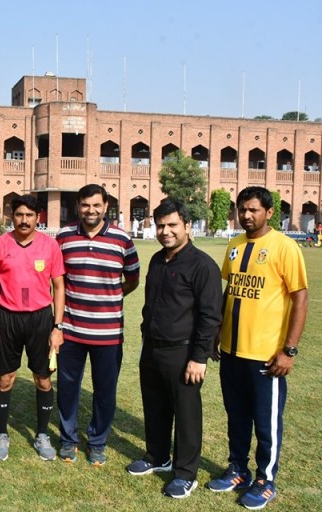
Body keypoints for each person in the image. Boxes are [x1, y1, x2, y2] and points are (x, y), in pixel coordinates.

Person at [207, 186, 308, 510]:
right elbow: (231, 290)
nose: (247, 215)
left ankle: (266, 480)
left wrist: (288, 351)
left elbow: (300, 298)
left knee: (266, 423)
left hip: (265, 356)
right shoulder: (235, 245)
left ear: (269, 212)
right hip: (232, 352)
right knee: (236, 417)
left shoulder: (285, 246)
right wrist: (217, 331)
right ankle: (238, 469)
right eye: (242, 209)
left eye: (253, 210)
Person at [127, 199, 222, 499]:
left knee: (186, 414)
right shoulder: (158, 260)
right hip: (152, 348)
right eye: (160, 226)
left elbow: (210, 316)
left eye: (172, 225)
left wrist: (199, 357)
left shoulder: (203, 265)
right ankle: (157, 456)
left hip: (184, 352)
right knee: (155, 406)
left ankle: (185, 473)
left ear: (187, 226)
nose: (165, 231)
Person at [55, 184, 140, 465]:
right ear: (78, 206)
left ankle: (97, 442)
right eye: (85, 205)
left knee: (105, 391)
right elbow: (58, 281)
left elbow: (132, 279)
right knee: (68, 388)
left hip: (108, 333)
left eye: (96, 205)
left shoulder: (122, 239)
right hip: (71, 330)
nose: (90, 210)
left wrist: (110, 296)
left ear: (106, 207)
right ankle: (68, 440)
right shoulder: (64, 237)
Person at [0, 194, 65, 462]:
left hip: (41, 319)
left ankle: (42, 434)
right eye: (19, 214)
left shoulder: (50, 246)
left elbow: (59, 287)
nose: (24, 220)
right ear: (12, 216)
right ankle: (2, 434)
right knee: (5, 378)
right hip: (7, 318)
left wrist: (57, 326)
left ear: (37, 217)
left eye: (29, 215)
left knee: (43, 379)